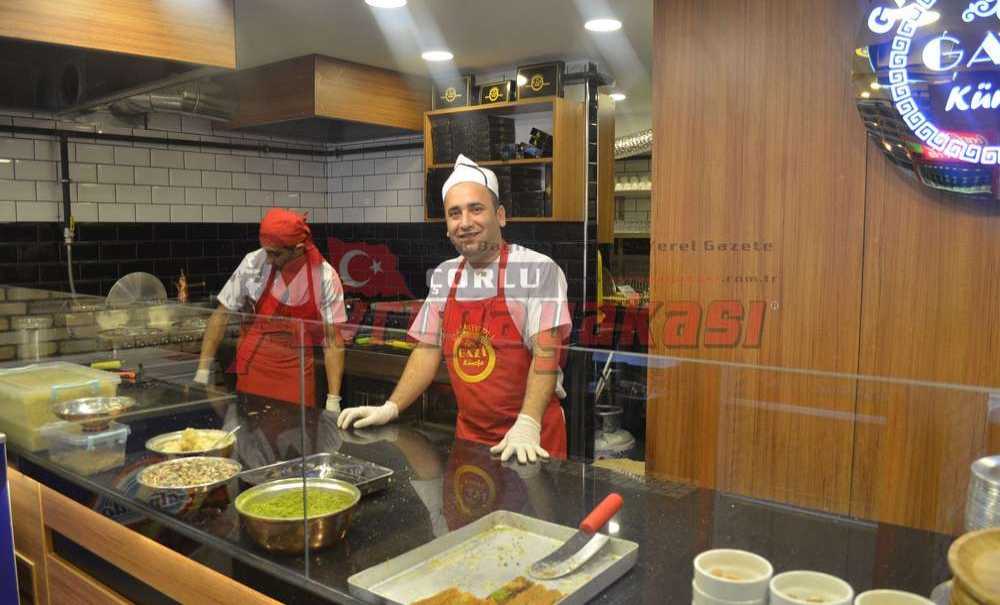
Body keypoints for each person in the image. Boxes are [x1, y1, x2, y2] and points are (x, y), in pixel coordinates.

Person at [337, 154, 572, 462]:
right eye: (454, 213)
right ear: (447, 227)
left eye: (476, 209)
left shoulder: (539, 270)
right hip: (470, 438)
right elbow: (426, 350)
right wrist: (391, 407)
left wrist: (527, 424)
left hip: (531, 439)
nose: (465, 223)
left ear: (500, 215)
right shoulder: (446, 275)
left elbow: (546, 354)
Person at [194, 208, 348, 410]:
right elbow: (221, 315)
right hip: (253, 370)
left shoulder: (324, 276)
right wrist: (203, 371)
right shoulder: (253, 263)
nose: (268, 259)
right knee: (250, 433)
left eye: (275, 254)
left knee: (296, 434)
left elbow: (333, 340)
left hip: (296, 376)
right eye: (266, 250)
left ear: (298, 248)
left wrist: (333, 399)